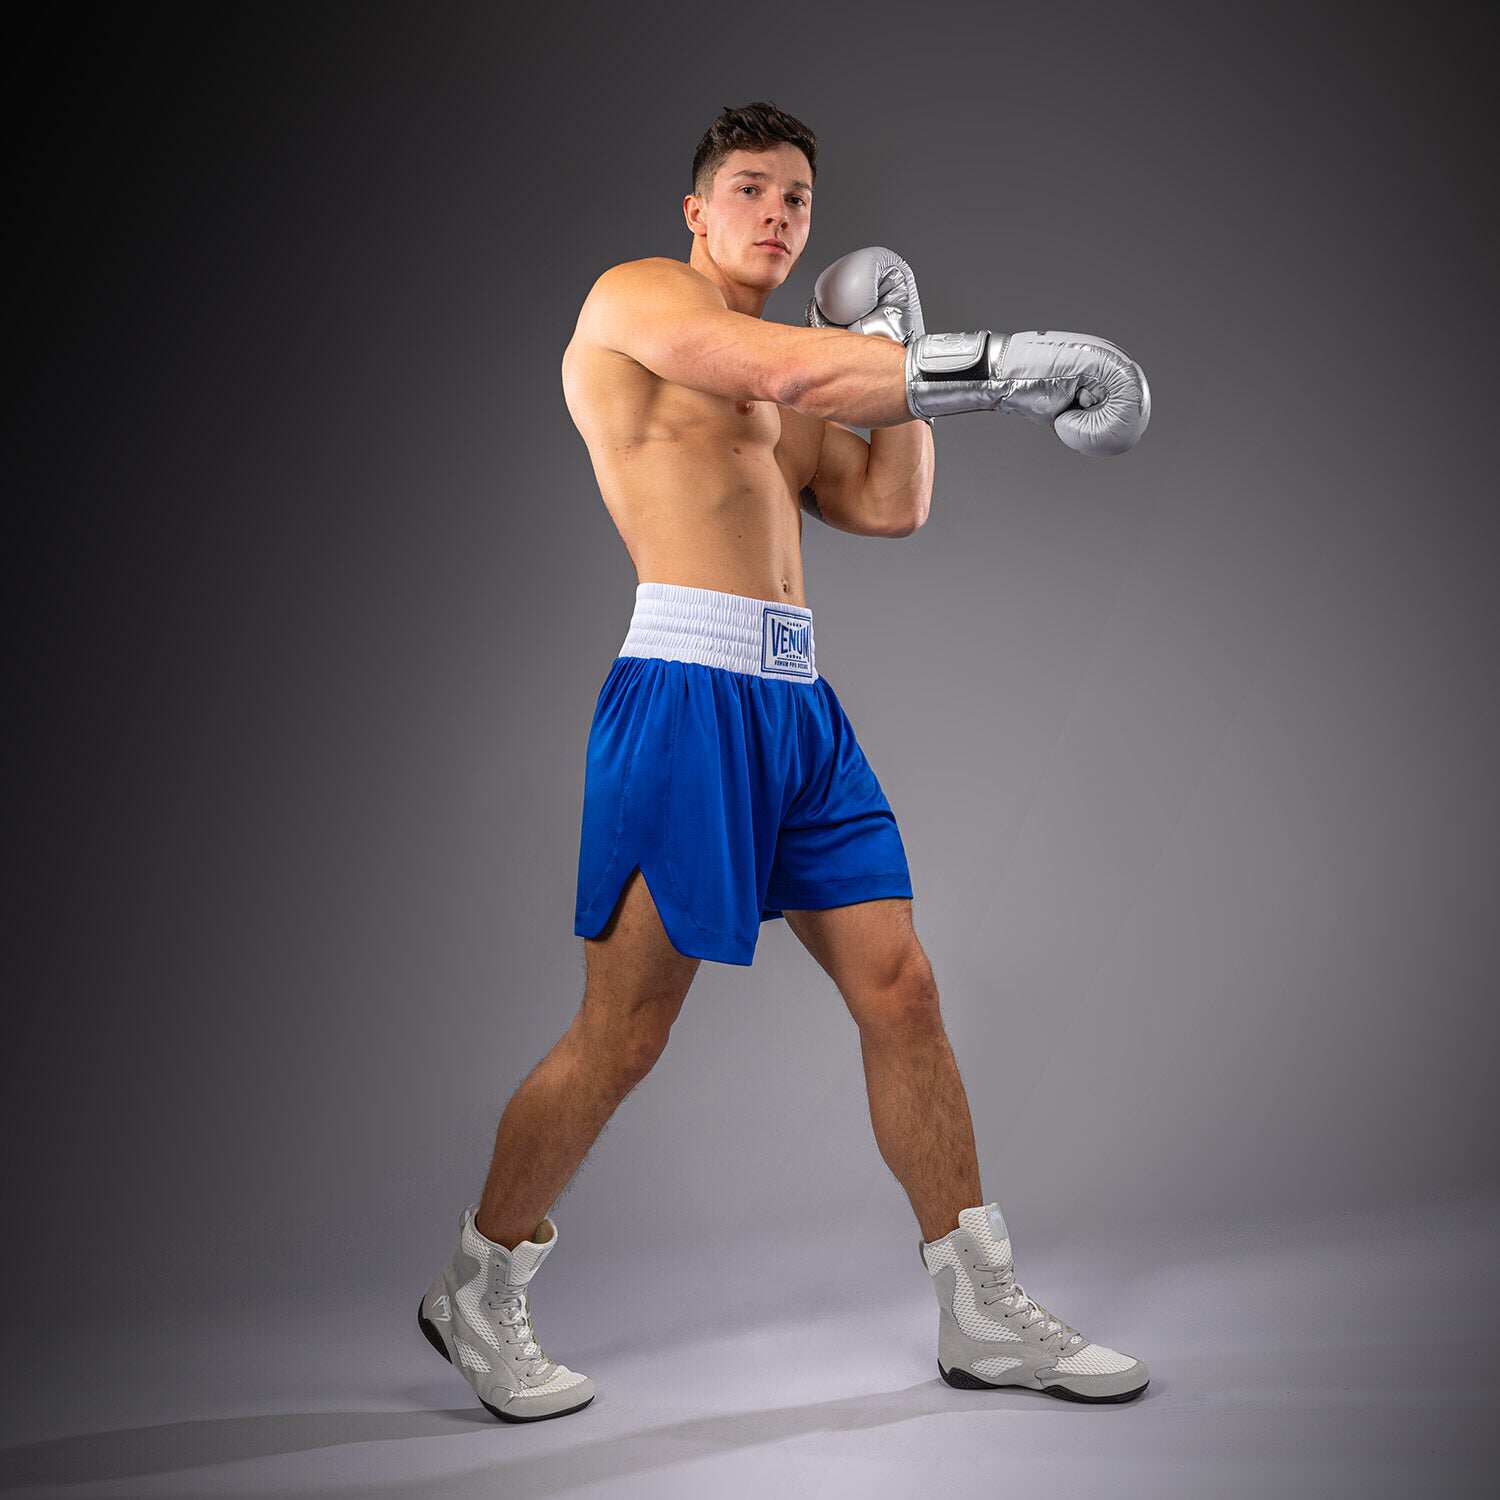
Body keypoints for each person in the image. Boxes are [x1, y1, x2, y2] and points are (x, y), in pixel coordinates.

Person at [418, 101, 1153, 1422]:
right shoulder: (642, 301)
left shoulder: (797, 375)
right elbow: (792, 375)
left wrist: (905, 346)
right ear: (697, 211)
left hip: (799, 708)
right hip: (684, 694)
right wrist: (1003, 364)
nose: (776, 213)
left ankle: (982, 1313)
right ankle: (479, 1281)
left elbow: (892, 503)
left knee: (904, 992)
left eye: (798, 198)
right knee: (625, 1034)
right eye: (751, 189)